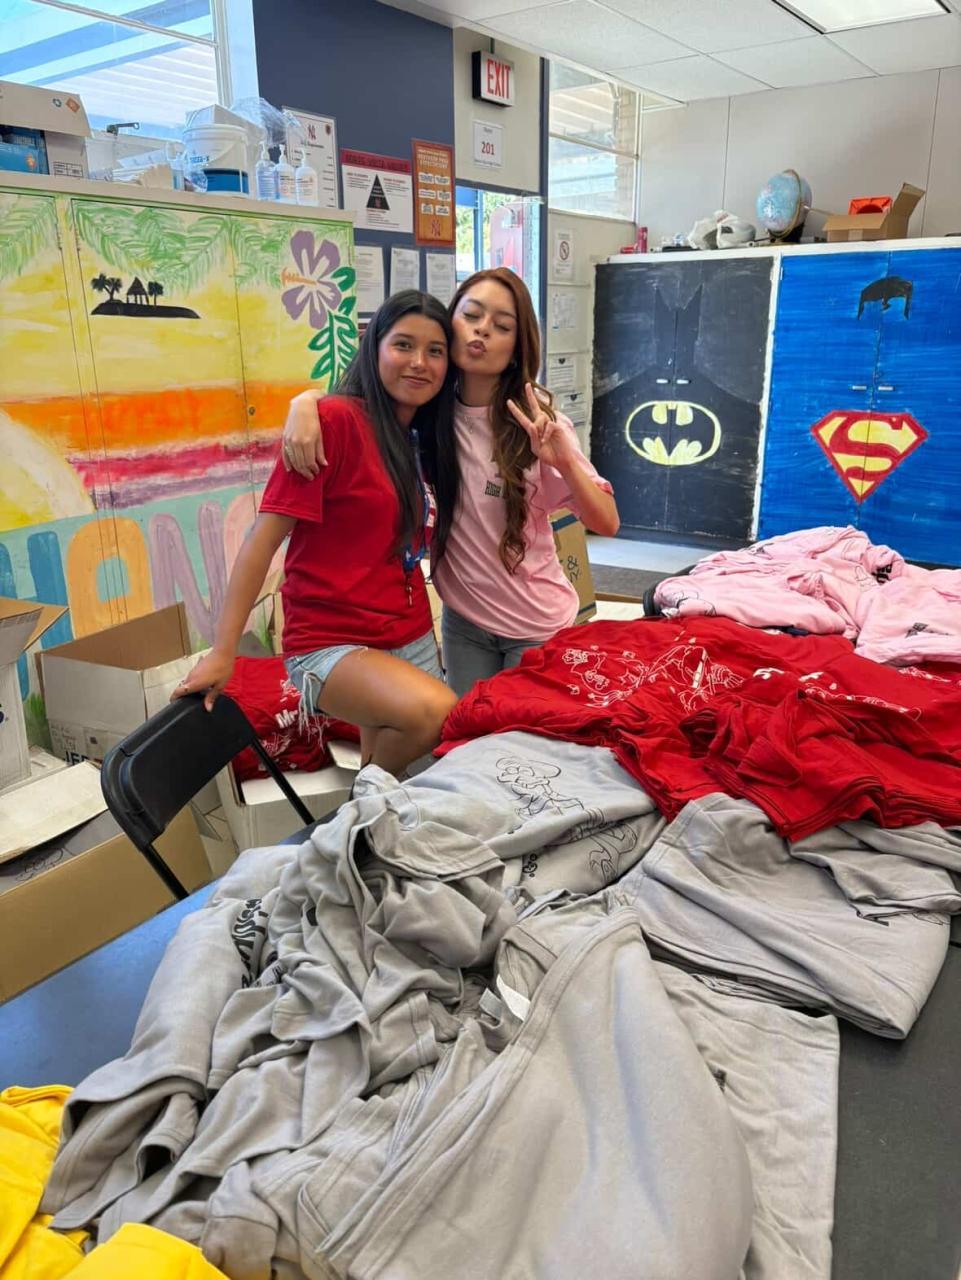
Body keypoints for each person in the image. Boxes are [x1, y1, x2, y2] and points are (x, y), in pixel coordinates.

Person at [282, 268, 619, 696]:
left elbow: (607, 522)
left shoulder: (537, 425)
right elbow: (362, 398)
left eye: (502, 326)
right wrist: (305, 402)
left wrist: (566, 462)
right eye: (472, 316)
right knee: (461, 728)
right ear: (451, 324)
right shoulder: (425, 411)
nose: (483, 330)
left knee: (515, 735)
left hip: (535, 626)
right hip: (464, 624)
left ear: (516, 348)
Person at [173, 290, 458, 776]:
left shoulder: (422, 437)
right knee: (439, 716)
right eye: (403, 345)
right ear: (374, 347)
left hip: (408, 633)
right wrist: (224, 652)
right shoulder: (332, 423)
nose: (419, 362)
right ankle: (362, 799)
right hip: (331, 642)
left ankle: (366, 811)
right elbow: (261, 541)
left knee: (418, 778)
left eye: (435, 351)